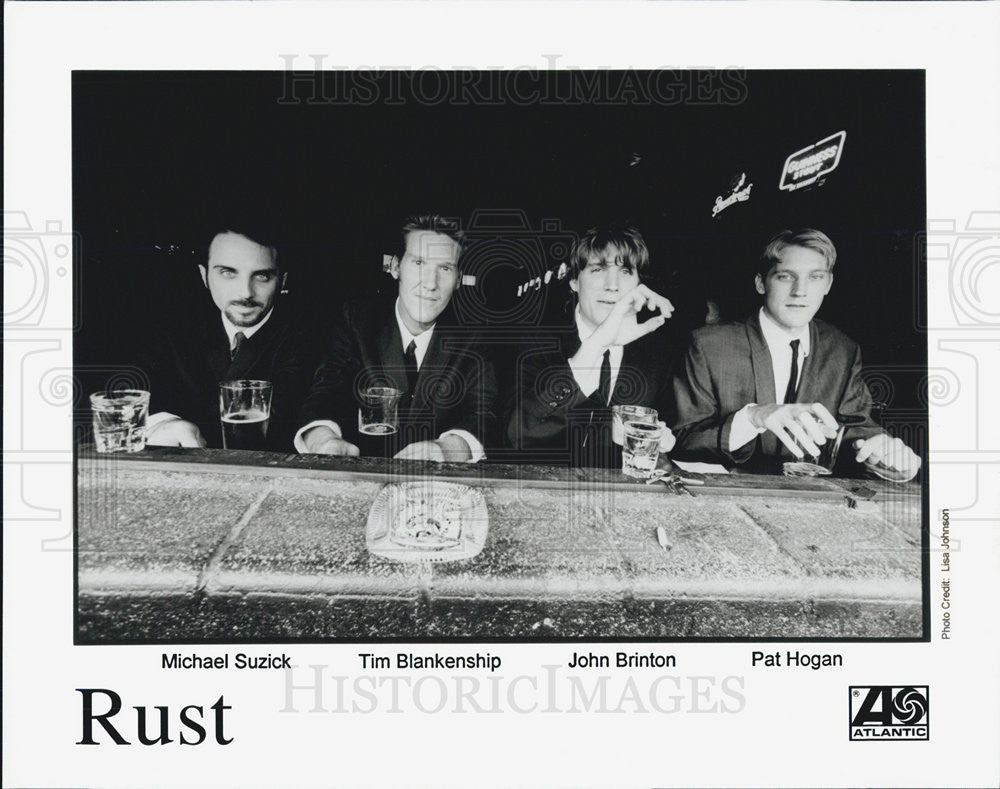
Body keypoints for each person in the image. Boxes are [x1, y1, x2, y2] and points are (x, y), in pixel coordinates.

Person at [668, 228, 921, 476]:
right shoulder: (709, 345)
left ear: (828, 284)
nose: (800, 291)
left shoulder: (842, 349)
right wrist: (754, 417)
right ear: (760, 283)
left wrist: (887, 457)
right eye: (785, 276)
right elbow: (682, 441)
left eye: (815, 277)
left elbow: (856, 432)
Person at [295, 213, 497, 462]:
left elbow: (484, 413)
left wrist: (446, 449)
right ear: (395, 267)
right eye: (419, 263)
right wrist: (324, 440)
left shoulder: (474, 337)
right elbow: (326, 390)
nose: (430, 284)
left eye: (445, 268)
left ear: (457, 280)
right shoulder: (357, 320)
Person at [504, 224, 678, 467]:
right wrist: (596, 344)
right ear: (574, 281)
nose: (613, 285)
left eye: (626, 271)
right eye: (598, 270)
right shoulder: (532, 342)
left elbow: (672, 434)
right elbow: (518, 434)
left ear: (639, 283)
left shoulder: (656, 352)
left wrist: (663, 441)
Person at [141, 227, 316, 450]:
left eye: (262, 276)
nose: (245, 293)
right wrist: (165, 423)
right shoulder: (177, 326)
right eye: (228, 272)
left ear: (282, 281)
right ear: (204, 276)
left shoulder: (307, 336)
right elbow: (136, 386)